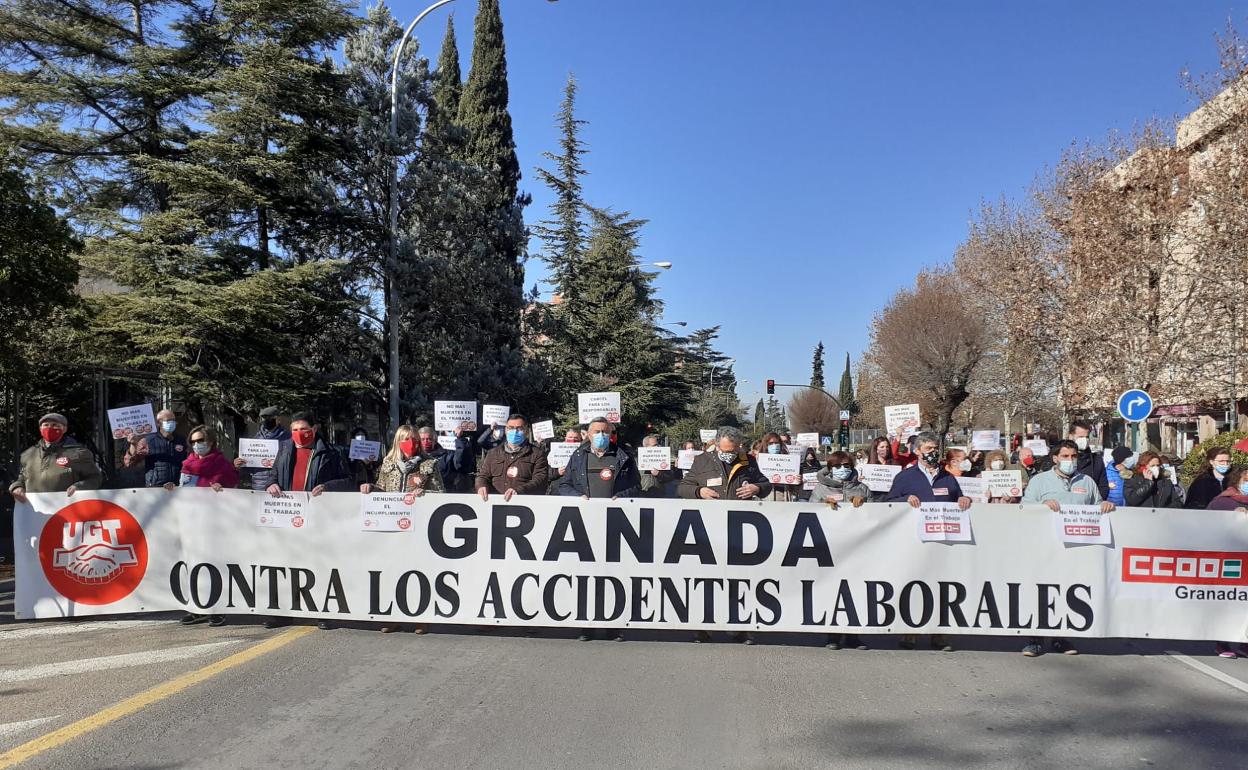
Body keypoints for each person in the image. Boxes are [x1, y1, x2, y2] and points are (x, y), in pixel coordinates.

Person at [1020, 440, 1116, 657]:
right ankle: (1034, 639)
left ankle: (1060, 637)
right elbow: (1024, 509)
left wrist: (1104, 506)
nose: (1070, 461)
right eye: (1065, 456)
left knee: (1069, 592)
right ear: (1055, 458)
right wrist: (1041, 508)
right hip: (1045, 547)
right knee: (1042, 592)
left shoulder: (1087, 482)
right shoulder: (1040, 481)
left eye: (1073, 456)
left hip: (1076, 548)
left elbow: (1096, 506)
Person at [678, 426, 772, 644]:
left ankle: (740, 628)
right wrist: (698, 492)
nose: (730, 453)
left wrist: (756, 488)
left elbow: (765, 484)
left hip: (740, 531)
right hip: (707, 531)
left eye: (735, 449)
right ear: (717, 444)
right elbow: (683, 487)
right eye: (726, 449)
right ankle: (702, 628)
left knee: (739, 581)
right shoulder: (702, 461)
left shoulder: (748, 460)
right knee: (707, 580)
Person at [884, 431, 970, 653]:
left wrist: (963, 499)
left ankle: (938, 633)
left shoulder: (948, 477)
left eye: (935, 449)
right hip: (914, 541)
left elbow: (957, 498)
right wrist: (905, 499)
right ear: (917, 451)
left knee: (941, 585)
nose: (933, 453)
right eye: (929, 449)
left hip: (943, 542)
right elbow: (888, 503)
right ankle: (910, 631)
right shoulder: (905, 477)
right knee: (914, 584)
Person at [265, 412, 351, 631]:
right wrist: (271, 484)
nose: (298, 434)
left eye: (303, 429)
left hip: (318, 518)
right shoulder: (284, 449)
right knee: (285, 564)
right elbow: (273, 475)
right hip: (288, 516)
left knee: (318, 564)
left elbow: (349, 481)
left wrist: (328, 487)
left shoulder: (331, 452)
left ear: (315, 428)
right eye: (294, 429)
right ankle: (282, 612)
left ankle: (321, 611)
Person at [559, 418, 641, 641]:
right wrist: (577, 497)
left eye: (605, 432)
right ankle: (587, 625)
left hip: (617, 524)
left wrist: (620, 497)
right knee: (586, 576)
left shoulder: (623, 456)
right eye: (597, 432)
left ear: (612, 433)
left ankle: (614, 625)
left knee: (614, 575)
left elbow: (636, 486)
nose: (601, 435)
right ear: (588, 434)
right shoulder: (577, 456)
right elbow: (563, 485)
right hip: (585, 524)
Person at [364, 425, 443, 634]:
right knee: (392, 571)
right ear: (398, 441)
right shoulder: (388, 464)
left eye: (414, 439)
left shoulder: (429, 464)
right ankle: (393, 616)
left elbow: (442, 494)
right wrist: (370, 488)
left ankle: (420, 617)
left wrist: (425, 494)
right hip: (392, 528)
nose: (412, 443)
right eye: (406, 439)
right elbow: (381, 488)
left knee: (419, 571)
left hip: (418, 528)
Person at [174, 425, 238, 627]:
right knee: (192, 564)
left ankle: (217, 609)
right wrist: (171, 489)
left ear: (210, 442)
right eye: (193, 441)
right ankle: (196, 609)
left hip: (213, 523)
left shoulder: (221, 464)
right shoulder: (187, 464)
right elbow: (184, 490)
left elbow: (234, 487)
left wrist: (222, 489)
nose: (196, 445)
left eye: (200, 440)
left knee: (213, 566)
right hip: (190, 522)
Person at [9, 413, 103, 504]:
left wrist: (79, 487)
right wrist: (17, 487)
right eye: (46, 425)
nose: (49, 428)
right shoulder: (28, 454)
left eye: (55, 425)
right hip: (34, 511)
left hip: (66, 508)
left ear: (64, 429)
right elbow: (22, 477)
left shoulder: (79, 453)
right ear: (40, 429)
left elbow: (95, 478)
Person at [1203, 466, 1248, 657]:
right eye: (1246, 480)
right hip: (1230, 559)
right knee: (1230, 600)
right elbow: (1206, 524)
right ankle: (1223, 643)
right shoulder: (1223, 502)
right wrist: (1231, 518)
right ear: (1237, 481)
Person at [476, 414, 549, 501]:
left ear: (526, 431)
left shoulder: (537, 453)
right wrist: (481, 486)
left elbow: (540, 479)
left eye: (519, 428)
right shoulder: (493, 453)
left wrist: (520, 490)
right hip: (495, 504)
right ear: (506, 430)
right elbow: (482, 476)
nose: (514, 431)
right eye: (511, 428)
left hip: (524, 503)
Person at [123, 408, 187, 488]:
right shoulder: (148, 441)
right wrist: (133, 444)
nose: (172, 423)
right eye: (168, 421)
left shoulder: (181, 440)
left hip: (178, 487)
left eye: (173, 420)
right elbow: (130, 463)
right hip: (155, 488)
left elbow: (189, 462)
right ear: (158, 423)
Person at [234, 406, 290, 491]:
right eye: (264, 418)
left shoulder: (288, 438)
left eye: (270, 418)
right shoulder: (257, 438)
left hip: (280, 486)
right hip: (259, 485)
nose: (266, 420)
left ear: (278, 419)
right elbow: (249, 467)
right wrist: (240, 464)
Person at [416, 424, 475, 492]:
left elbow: (461, 463)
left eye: (429, 439)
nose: (425, 442)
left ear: (435, 440)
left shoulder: (447, 455)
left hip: (444, 494)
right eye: (422, 439)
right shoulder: (414, 457)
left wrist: (460, 438)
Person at [1068, 420, 1109, 498]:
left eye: (1086, 437)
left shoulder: (1097, 460)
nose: (1084, 440)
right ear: (1071, 436)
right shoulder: (1062, 458)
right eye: (1080, 437)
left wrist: (1095, 504)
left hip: (1090, 507)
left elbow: (1103, 487)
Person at [758, 432, 800, 502]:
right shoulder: (759, 461)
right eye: (771, 443)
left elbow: (794, 487)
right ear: (766, 445)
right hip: (767, 497)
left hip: (785, 496)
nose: (774, 445)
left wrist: (797, 480)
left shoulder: (789, 461)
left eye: (776, 443)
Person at [637, 434, 676, 499]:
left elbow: (670, 477)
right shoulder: (637, 461)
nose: (657, 447)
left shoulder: (663, 460)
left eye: (657, 445)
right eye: (654, 445)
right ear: (646, 447)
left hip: (659, 496)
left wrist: (659, 474)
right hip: (643, 496)